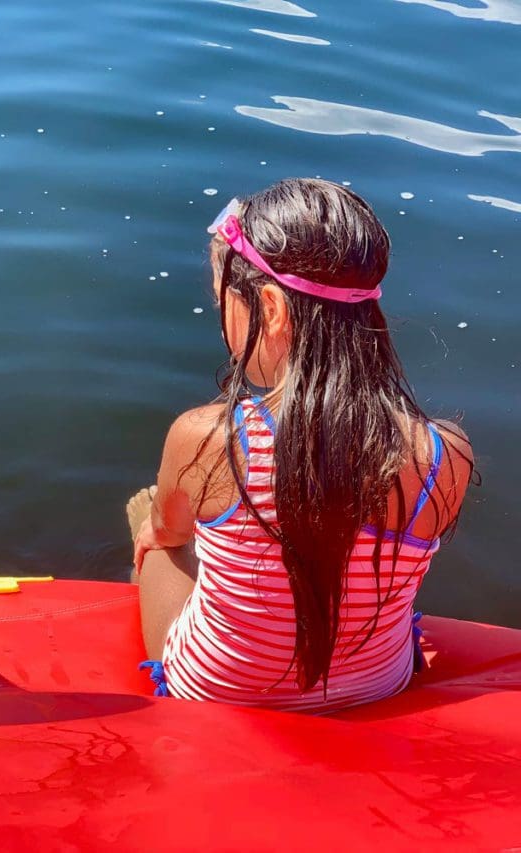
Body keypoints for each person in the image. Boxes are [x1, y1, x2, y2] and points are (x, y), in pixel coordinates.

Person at [128, 178, 474, 712]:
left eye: (226, 300)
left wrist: (152, 527)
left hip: (218, 694)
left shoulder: (208, 438)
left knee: (156, 536)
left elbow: (170, 530)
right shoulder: (444, 454)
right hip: (378, 688)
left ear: (270, 307)